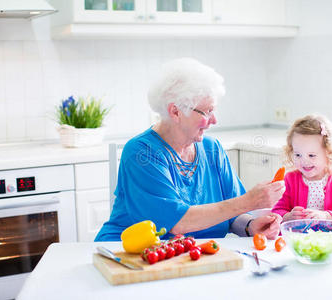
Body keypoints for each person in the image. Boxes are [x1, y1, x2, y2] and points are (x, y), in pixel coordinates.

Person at [95, 58, 285, 242]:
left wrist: (250, 225)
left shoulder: (213, 149)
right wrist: (249, 201)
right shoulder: (142, 153)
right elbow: (177, 223)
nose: (214, 120)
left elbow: (232, 214)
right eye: (207, 111)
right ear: (175, 111)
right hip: (128, 255)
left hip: (192, 257)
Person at [271, 115, 332, 230]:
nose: (304, 161)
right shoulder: (290, 180)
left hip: (329, 238)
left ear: (328, 153)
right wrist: (289, 216)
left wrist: (326, 216)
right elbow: (276, 211)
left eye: (311, 155)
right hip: (298, 236)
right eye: (298, 155)